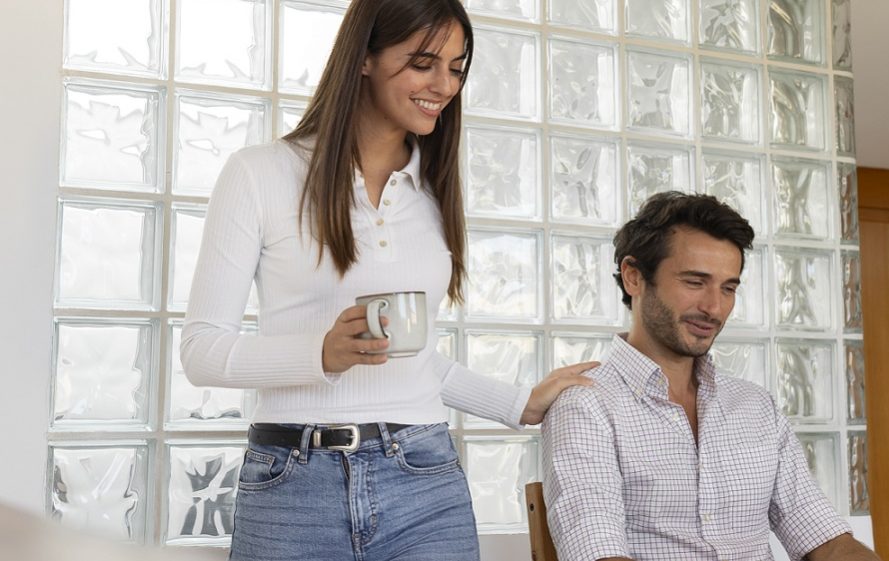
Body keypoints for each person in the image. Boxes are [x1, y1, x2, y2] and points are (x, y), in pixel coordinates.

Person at [180, 1, 594, 560]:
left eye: (456, 67)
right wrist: (321, 353)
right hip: (292, 488)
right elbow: (201, 351)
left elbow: (412, 358)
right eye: (423, 63)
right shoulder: (260, 174)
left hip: (423, 476)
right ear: (365, 58)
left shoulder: (432, 188)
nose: (444, 85)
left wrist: (518, 403)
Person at [542, 192, 879, 561]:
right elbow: (598, 552)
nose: (714, 308)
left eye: (728, 288)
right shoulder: (585, 405)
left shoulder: (755, 406)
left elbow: (826, 541)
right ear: (633, 277)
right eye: (694, 282)